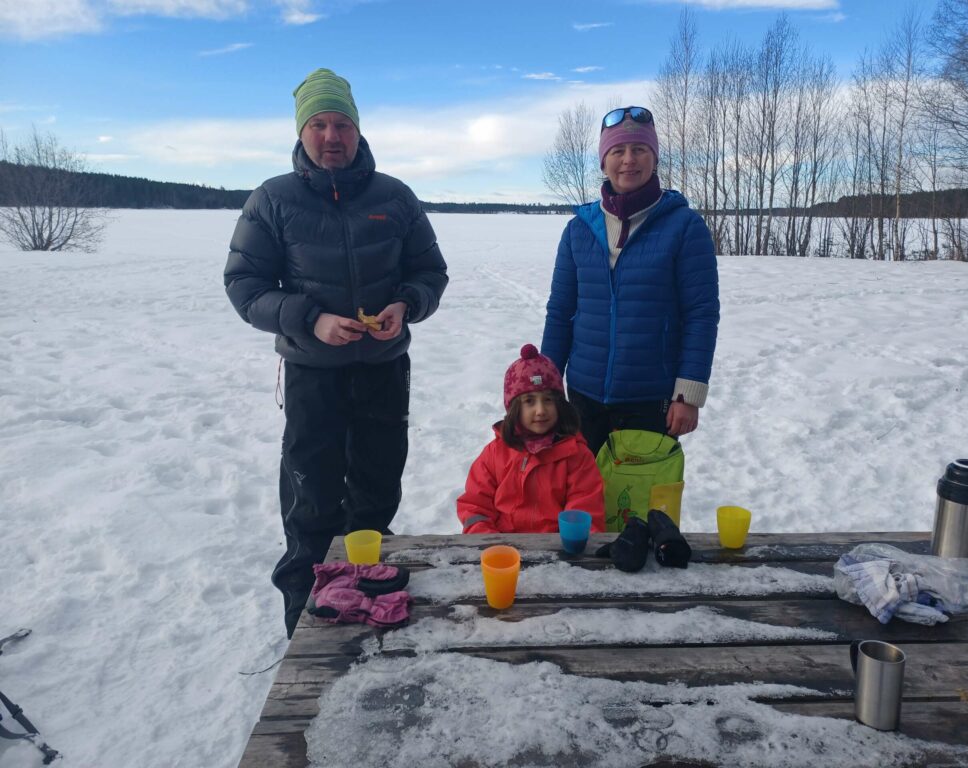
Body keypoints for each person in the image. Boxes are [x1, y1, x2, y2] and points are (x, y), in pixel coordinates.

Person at [224, 68, 448, 637]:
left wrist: (406, 304)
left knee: (375, 493)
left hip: (382, 371)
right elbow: (245, 287)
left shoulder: (394, 197)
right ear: (302, 132)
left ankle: (365, 612)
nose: (331, 135)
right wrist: (310, 319)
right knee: (311, 505)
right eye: (319, 124)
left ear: (357, 130)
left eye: (341, 123)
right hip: (311, 375)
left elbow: (429, 271)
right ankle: (303, 628)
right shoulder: (272, 200)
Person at [541, 106, 719, 455]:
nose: (628, 160)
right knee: (580, 503)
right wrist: (547, 385)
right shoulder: (579, 230)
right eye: (617, 151)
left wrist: (688, 394)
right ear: (603, 161)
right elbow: (560, 312)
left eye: (639, 150)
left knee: (640, 506)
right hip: (583, 397)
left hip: (652, 399)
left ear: (654, 158)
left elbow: (701, 314)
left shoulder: (684, 227)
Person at [457, 344, 605, 534]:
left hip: (559, 552)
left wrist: (571, 548)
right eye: (529, 401)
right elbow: (475, 506)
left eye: (548, 400)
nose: (541, 410)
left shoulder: (578, 456)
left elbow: (585, 510)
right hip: (503, 551)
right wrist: (489, 543)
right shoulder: (494, 453)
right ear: (514, 409)